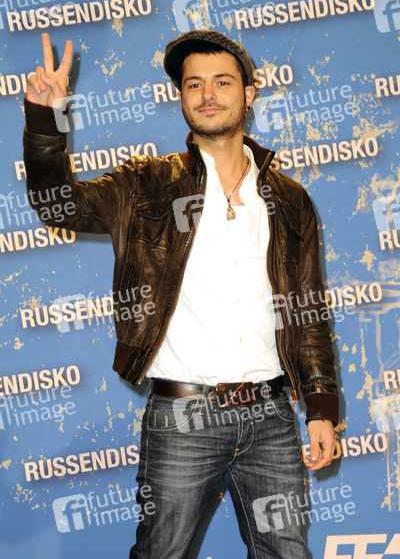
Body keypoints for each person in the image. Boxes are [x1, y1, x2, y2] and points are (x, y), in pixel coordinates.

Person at [24, 29, 339, 559]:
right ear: (181, 96)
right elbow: (59, 205)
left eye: (223, 82)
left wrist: (321, 407)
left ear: (249, 94)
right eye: (194, 84)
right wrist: (44, 120)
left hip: (272, 418)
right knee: (161, 553)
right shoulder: (146, 184)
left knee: (287, 554)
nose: (208, 94)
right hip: (183, 418)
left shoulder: (289, 200)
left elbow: (307, 311)